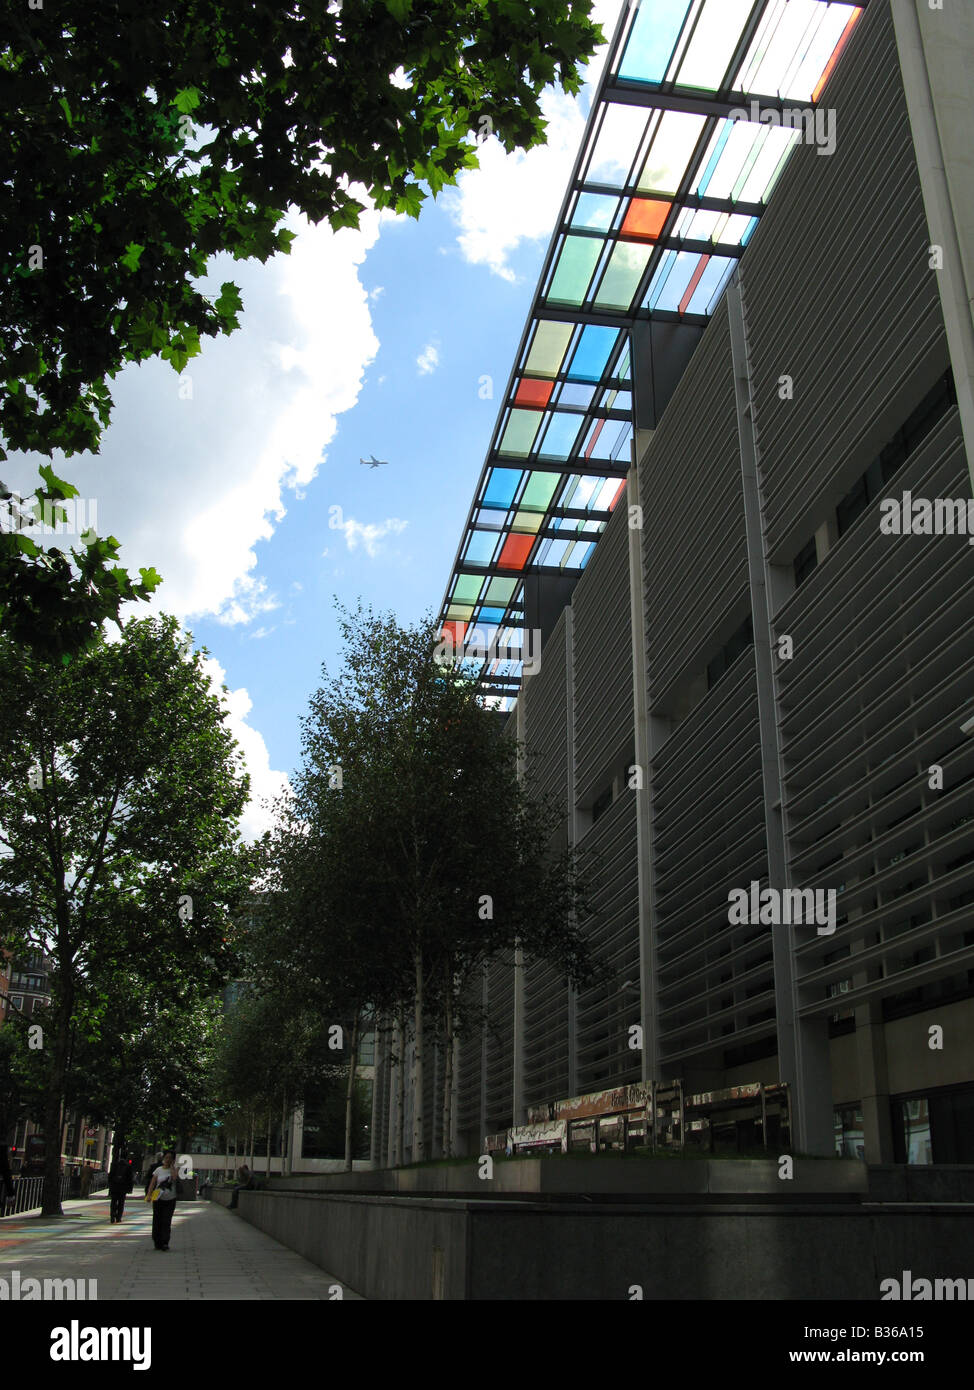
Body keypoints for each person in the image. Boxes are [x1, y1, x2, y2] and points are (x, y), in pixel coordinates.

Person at [145, 1150, 178, 1250]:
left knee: (166, 1220)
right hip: (158, 1199)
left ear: (173, 1160)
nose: (168, 1160)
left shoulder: (175, 1169)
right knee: (157, 1220)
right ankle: (157, 1240)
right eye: (166, 1157)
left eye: (170, 1158)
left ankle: (165, 1242)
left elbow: (174, 1178)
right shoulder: (158, 1170)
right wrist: (149, 1195)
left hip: (170, 1199)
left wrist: (172, 1166)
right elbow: (152, 1183)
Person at [108, 1154, 134, 1223]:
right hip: (123, 1188)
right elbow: (130, 1179)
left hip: (114, 1187)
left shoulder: (114, 1165)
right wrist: (130, 1189)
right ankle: (118, 1217)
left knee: (113, 1202)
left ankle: (112, 1216)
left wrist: (110, 1186)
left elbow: (110, 1176)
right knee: (121, 1203)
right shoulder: (128, 1166)